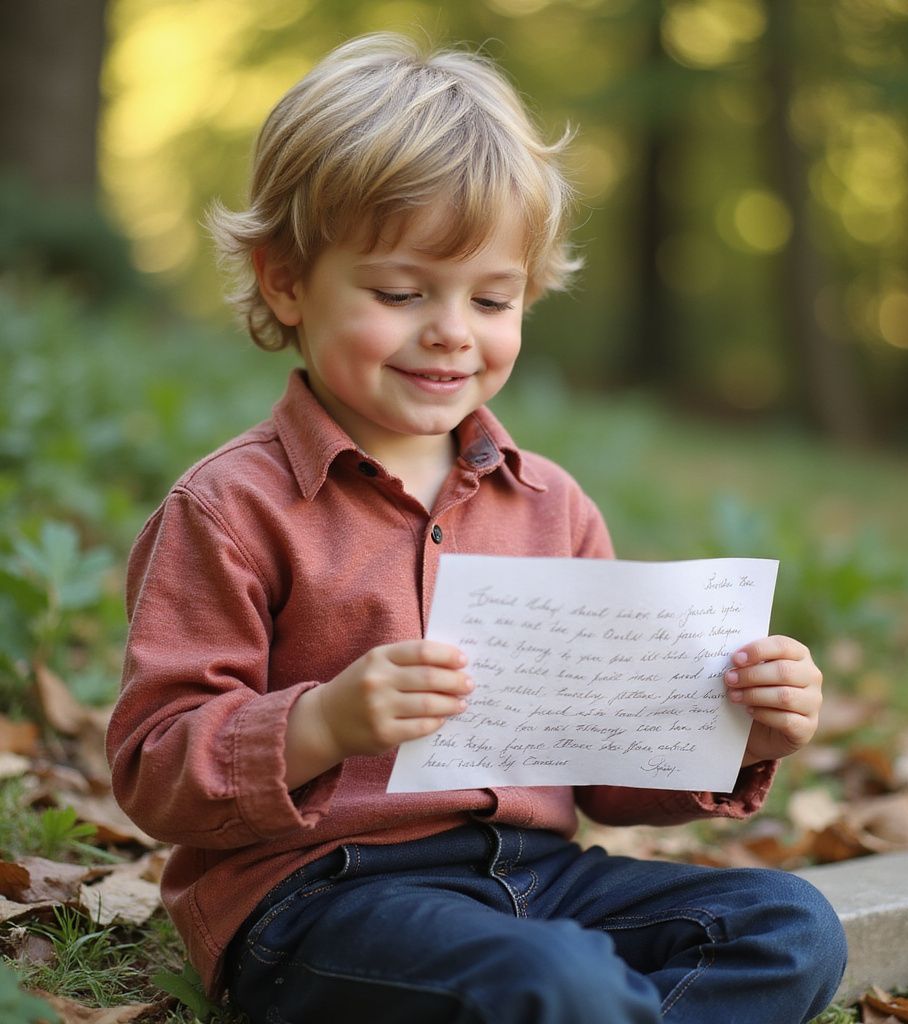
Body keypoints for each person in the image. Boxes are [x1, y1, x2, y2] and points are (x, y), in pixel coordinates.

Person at [106, 31, 846, 1024]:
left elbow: (608, 773)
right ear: (285, 280)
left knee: (789, 924)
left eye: (492, 297)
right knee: (557, 983)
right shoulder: (231, 508)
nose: (453, 327)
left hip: (541, 877)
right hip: (328, 894)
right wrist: (320, 724)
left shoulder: (552, 506)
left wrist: (735, 728)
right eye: (401, 293)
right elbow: (155, 768)